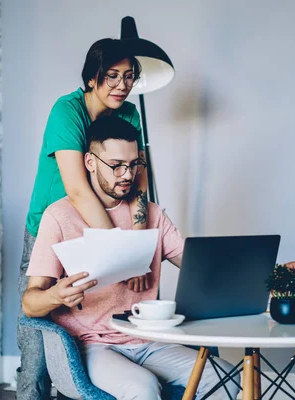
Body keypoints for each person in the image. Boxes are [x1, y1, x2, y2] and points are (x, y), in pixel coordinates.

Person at [22, 116, 241, 399]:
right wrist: (56, 296)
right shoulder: (59, 216)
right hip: (93, 345)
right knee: (142, 387)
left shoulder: (151, 215)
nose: (127, 175)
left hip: (150, 341)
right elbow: (30, 303)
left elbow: (204, 266)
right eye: (116, 166)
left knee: (226, 377)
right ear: (90, 162)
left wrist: (275, 273)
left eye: (133, 164)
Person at [17, 39, 151, 399]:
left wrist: (136, 242)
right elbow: (77, 189)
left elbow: (139, 182)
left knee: (82, 329)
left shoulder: (128, 115)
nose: (123, 85)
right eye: (112, 76)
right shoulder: (67, 111)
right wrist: (121, 252)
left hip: (100, 229)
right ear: (92, 77)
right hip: (54, 229)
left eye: (129, 77)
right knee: (38, 341)